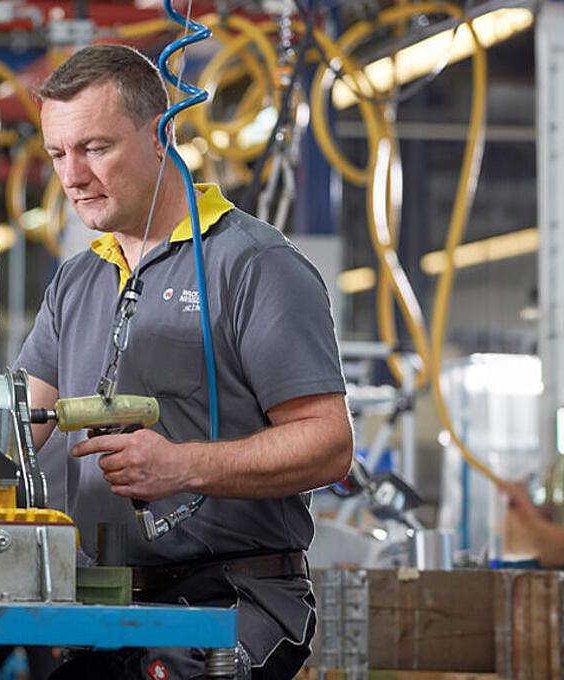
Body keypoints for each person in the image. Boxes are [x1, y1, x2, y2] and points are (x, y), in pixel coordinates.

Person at [18, 44, 355, 679]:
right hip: (107, 603)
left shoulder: (253, 265)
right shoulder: (78, 279)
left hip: (228, 603)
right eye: (58, 154)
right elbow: (19, 424)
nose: (73, 176)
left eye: (95, 148)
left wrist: (182, 465)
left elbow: (329, 444)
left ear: (162, 135)